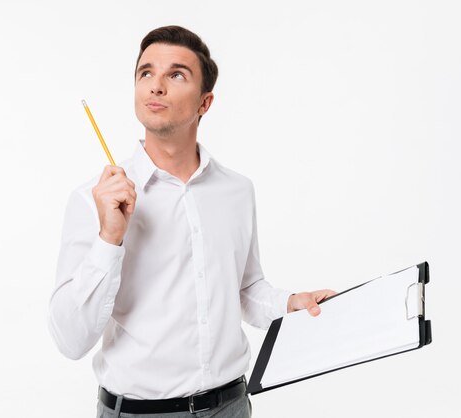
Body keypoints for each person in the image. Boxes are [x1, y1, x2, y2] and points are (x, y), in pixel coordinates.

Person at [48, 25, 336, 417]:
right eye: (145, 73)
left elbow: (245, 288)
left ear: (205, 103)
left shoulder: (236, 191)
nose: (156, 86)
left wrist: (290, 304)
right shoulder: (94, 199)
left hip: (230, 406)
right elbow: (70, 340)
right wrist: (109, 238)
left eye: (176, 75)